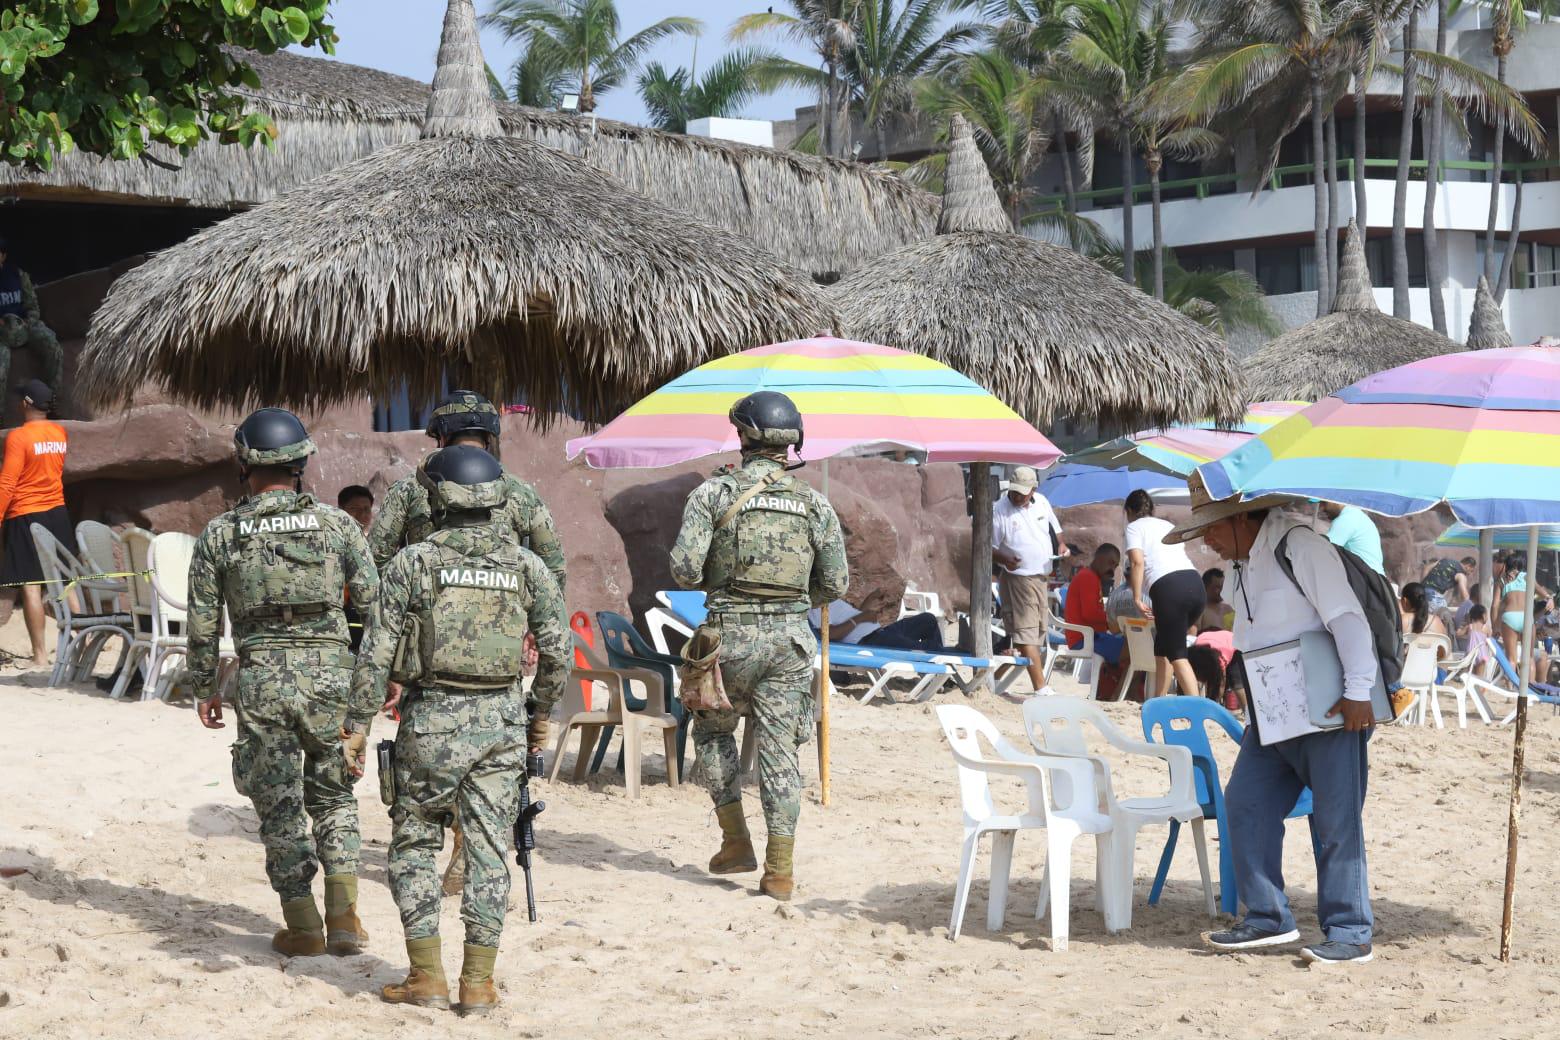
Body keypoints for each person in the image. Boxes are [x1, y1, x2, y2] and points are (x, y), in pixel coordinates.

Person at [354, 445, 568, 1016]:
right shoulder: (527, 567)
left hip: (430, 720)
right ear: (496, 498)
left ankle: (426, 974)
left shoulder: (413, 563)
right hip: (501, 722)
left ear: (438, 497)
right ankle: (478, 982)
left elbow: (375, 654)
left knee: (416, 843)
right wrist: (538, 717)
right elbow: (557, 653)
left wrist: (356, 726)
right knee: (490, 851)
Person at [188, 409, 378, 959]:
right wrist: (376, 679)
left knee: (278, 800)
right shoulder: (338, 524)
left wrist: (204, 687)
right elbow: (375, 608)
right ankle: (345, 918)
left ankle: (302, 925)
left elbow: (203, 622)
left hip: (263, 677)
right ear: (299, 463)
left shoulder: (221, 533)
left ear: (245, 462)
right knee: (335, 793)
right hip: (330, 676)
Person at [1166, 473, 1379, 966]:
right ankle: (1268, 917)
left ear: (1242, 518)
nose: (1209, 541)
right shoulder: (1245, 563)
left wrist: (1357, 694)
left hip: (1329, 710)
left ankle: (1349, 932)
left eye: (1213, 528)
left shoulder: (1301, 547)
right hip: (1273, 714)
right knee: (1245, 803)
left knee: (1336, 820)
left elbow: (1347, 619)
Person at [670, 391, 847, 902]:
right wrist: (792, 602)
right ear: (793, 442)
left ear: (743, 435)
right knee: (780, 755)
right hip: (789, 645)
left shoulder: (714, 494)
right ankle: (780, 871)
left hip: (726, 641)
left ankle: (735, 841)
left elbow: (683, 568)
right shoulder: (815, 503)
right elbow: (835, 584)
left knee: (712, 734)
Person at [367, 390, 565, 593]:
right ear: (488, 437)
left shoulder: (411, 488)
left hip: (429, 620)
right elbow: (553, 569)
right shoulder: (520, 492)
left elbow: (374, 562)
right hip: (505, 619)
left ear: (442, 437)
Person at [0, 380, 70, 668]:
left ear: (27, 404)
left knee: (30, 586)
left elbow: (7, 482)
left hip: (26, 514)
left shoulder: (18, 437)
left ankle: (40, 656)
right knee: (67, 582)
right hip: (57, 512)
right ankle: (84, 640)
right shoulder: (60, 432)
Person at [992, 465, 1066, 693]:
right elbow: (990, 546)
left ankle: (991, 681)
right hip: (1018, 578)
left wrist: (1061, 545)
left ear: (1033, 489)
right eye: (1014, 492)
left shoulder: (1042, 502)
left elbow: (1056, 528)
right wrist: (1005, 558)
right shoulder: (1000, 509)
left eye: (1022, 493)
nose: (1016, 496)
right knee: (1026, 634)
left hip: (1041, 577)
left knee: (1036, 634)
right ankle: (1041, 687)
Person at [1123, 489, 1204, 698]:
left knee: (1177, 654)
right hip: (1195, 583)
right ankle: (1159, 699)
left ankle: (1197, 706)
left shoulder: (1133, 527)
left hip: (1169, 589)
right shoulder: (1167, 525)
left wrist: (1137, 597)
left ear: (1129, 511)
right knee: (1163, 646)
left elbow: (1137, 562)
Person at [0, 238, 62, 395]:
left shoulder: (17, 275)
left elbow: (32, 306)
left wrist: (29, 321)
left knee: (51, 345)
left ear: (3, 256)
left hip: (24, 326)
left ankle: (50, 403)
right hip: (1, 334)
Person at [1063, 544, 1126, 668]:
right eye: (1110, 563)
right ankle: (1127, 686)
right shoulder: (1088, 577)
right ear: (1098, 558)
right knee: (1133, 648)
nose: (1112, 569)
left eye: (1115, 566)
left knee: (1129, 648)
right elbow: (1090, 614)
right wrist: (1115, 620)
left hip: (1087, 637)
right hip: (1084, 640)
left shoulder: (1091, 576)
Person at [809, 598, 951, 652]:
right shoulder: (814, 606)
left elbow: (857, 616)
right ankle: (955, 655)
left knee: (928, 620)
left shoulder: (829, 598)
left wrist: (870, 600)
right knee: (924, 649)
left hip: (881, 632)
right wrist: (860, 618)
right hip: (869, 641)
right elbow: (830, 634)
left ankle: (934, 674)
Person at [1497, 551, 1549, 683]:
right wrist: (1550, 598)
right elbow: (1542, 592)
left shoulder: (1502, 579)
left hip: (1510, 617)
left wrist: (1494, 624)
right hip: (1526, 618)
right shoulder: (1527, 577)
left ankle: (1510, 693)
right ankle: (1529, 692)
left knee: (1511, 659)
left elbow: (1494, 606)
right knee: (1529, 658)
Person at [1321, 502, 1385, 577]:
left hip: (1367, 580)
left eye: (1324, 503)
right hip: (1373, 578)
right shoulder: (1356, 515)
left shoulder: (1346, 519)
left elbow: (1324, 553)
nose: (1322, 509)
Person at [1198, 567, 1233, 631]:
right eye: (1217, 587)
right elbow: (1192, 637)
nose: (1222, 591)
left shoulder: (1229, 610)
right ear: (1205, 587)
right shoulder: (1200, 611)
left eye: (1223, 587)